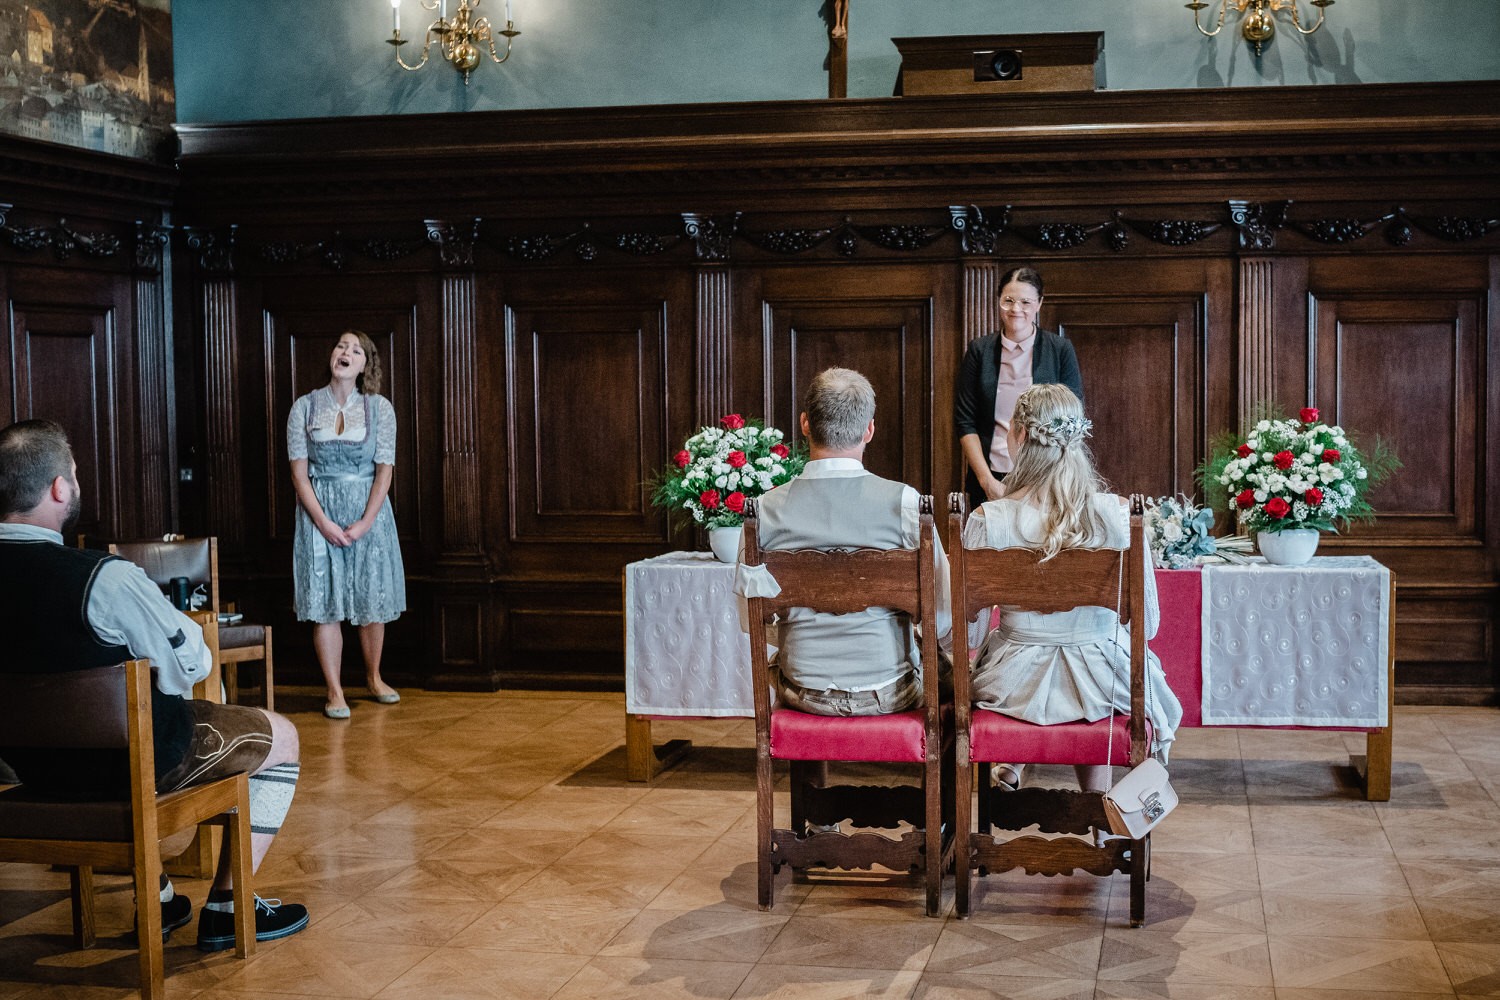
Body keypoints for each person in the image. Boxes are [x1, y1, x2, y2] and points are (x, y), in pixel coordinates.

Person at [0, 419, 309, 950]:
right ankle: (228, 907)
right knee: (282, 739)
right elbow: (189, 661)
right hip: (128, 768)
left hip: (29, 772)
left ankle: (162, 898)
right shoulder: (105, 577)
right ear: (57, 488)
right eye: (74, 474)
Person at [961, 383, 1182, 801]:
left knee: (1048, 667)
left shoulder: (988, 520)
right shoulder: (1118, 516)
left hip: (1012, 686)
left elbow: (969, 636)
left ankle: (1012, 765)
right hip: (1106, 684)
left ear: (1022, 437)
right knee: (1094, 662)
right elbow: (1147, 625)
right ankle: (1101, 811)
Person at [736, 367, 951, 716]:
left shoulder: (761, 512)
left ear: (805, 424)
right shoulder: (906, 504)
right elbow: (941, 611)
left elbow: (750, 619)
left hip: (802, 688)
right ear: (869, 430)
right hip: (890, 687)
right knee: (950, 680)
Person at [288, 330, 407, 720]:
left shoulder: (379, 408)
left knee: (371, 598)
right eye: (341, 345)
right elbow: (299, 475)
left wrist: (365, 522)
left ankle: (373, 677)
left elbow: (385, 472)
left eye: (356, 350)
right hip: (319, 511)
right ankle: (334, 690)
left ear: (364, 365)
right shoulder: (303, 408)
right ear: (332, 356)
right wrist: (322, 522)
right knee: (326, 603)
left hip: (367, 512)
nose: (346, 352)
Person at [954, 265, 1085, 508]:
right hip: (991, 474)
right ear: (998, 301)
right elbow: (965, 421)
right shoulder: (979, 351)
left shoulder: (1060, 349)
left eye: (1025, 302)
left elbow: (1073, 418)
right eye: (1008, 301)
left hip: (1047, 477)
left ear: (1039, 304)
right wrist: (986, 481)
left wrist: (1052, 477)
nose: (1016, 309)